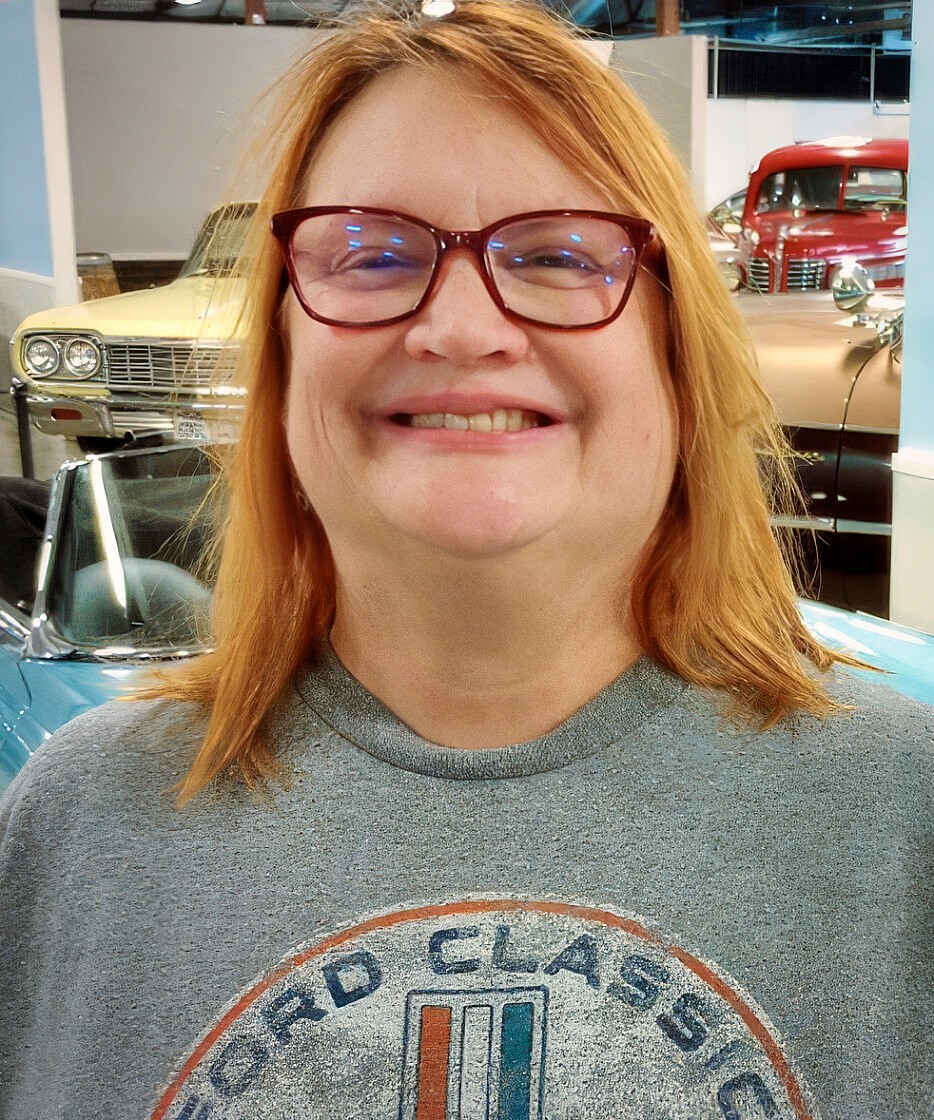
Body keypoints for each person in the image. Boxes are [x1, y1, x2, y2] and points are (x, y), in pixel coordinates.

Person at [1, 2, 931, 1117]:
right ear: (285, 366)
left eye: (555, 254)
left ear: (679, 359)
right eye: (370, 254)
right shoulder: (82, 818)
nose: (458, 328)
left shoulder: (903, 813)